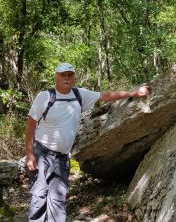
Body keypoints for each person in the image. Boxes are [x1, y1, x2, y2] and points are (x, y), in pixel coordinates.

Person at [25, 62, 149, 222]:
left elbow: (106, 96)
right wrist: (29, 155)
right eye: (63, 74)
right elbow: (30, 127)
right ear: (56, 76)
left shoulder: (79, 94)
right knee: (38, 197)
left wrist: (133, 93)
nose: (67, 78)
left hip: (62, 159)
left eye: (70, 75)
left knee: (58, 200)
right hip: (41, 153)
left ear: (74, 77)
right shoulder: (45, 97)